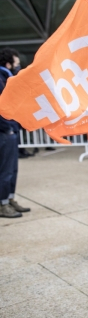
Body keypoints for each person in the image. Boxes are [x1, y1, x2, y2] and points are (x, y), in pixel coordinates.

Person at [0, 48, 30, 218]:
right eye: (16, 64)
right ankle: (3, 203)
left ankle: (9, 199)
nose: (18, 67)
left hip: (9, 130)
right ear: (8, 64)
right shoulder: (2, 79)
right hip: (5, 131)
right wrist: (8, 127)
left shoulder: (6, 78)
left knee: (11, 169)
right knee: (5, 170)